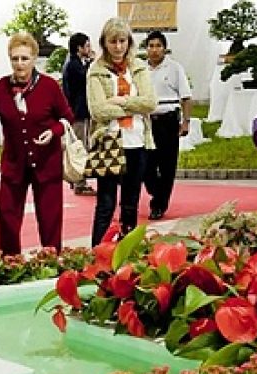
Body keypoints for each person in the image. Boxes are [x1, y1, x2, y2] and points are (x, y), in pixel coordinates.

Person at [0, 32, 73, 255]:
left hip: (47, 164)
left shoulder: (49, 86)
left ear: (34, 58)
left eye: (24, 58)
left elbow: (67, 116)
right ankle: (10, 264)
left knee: (49, 219)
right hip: (14, 164)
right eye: (15, 58)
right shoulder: (1, 88)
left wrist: (53, 131)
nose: (19, 64)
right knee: (7, 216)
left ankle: (52, 262)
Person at [87, 17, 156, 246]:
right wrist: (132, 103)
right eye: (113, 41)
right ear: (104, 43)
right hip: (109, 140)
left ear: (129, 42)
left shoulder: (138, 67)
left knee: (131, 202)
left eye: (122, 41)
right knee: (106, 204)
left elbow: (150, 102)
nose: (118, 47)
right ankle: (97, 252)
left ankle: (128, 251)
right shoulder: (96, 71)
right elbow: (97, 110)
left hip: (137, 142)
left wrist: (121, 101)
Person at [143, 31, 191, 220]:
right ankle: (156, 191)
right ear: (146, 49)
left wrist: (186, 122)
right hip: (146, 122)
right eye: (151, 46)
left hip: (168, 121)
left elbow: (186, 97)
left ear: (164, 48)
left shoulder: (175, 68)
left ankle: (159, 205)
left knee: (167, 165)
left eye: (158, 46)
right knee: (146, 166)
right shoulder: (140, 70)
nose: (154, 50)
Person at [62, 32, 96, 196]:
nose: (89, 49)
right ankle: (79, 182)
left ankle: (78, 180)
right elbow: (86, 78)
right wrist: (91, 63)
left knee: (81, 145)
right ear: (79, 47)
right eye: (87, 45)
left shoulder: (74, 63)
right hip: (77, 112)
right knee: (79, 147)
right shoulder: (74, 64)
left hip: (79, 111)